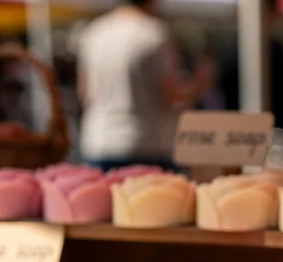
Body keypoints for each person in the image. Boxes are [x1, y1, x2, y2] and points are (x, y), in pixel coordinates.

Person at [76, 0, 214, 170]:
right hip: (147, 144)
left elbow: (84, 92)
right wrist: (200, 82)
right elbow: (172, 95)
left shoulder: (95, 32)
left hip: (99, 140)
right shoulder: (154, 33)